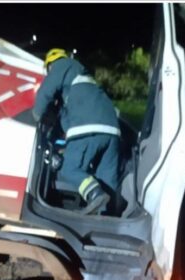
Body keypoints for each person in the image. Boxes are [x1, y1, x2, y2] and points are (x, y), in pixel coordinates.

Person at [33, 48, 121, 215]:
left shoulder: (63, 64)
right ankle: (109, 218)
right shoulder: (81, 83)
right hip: (113, 130)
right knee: (107, 181)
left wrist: (36, 115)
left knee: (69, 169)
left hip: (88, 128)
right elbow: (63, 119)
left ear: (50, 65)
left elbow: (45, 92)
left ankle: (94, 194)